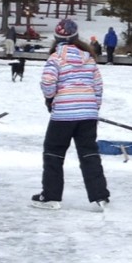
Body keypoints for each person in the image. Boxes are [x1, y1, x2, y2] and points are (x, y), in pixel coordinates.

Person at [32, 18, 111, 211]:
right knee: (89, 153)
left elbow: (48, 84)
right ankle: (100, 196)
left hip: (64, 115)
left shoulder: (55, 58)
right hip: (88, 114)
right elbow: (98, 87)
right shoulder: (89, 58)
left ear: (57, 37)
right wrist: (94, 108)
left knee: (53, 153)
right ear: (76, 37)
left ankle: (51, 196)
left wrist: (50, 100)